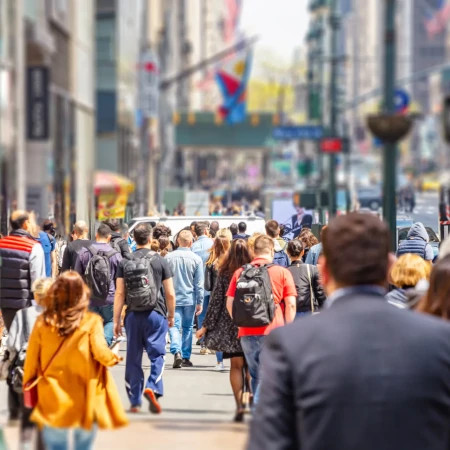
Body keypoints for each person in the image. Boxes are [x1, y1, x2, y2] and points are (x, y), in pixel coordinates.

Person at [249, 213, 450, 450]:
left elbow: (268, 442)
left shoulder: (290, 344)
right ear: (389, 267)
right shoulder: (439, 340)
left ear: (323, 272)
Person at [23, 271, 128, 450]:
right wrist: (115, 352)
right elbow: (102, 355)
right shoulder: (91, 321)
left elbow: (31, 361)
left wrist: (29, 388)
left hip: (52, 396)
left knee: (56, 446)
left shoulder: (43, 322)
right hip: (85, 397)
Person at [226, 235, 297, 404]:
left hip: (247, 332)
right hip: (274, 331)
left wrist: (240, 321)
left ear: (253, 251)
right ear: (271, 250)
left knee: (257, 374)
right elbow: (291, 305)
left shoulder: (241, 272)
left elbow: (230, 303)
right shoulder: (282, 272)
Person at [113, 223, 176, 414]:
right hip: (155, 313)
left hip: (132, 314)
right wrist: (171, 315)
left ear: (133, 239)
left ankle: (134, 400)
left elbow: (119, 293)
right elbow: (170, 293)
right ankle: (153, 386)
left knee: (133, 357)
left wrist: (117, 320)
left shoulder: (125, 261)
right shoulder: (160, 260)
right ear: (150, 239)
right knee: (157, 354)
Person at [197, 239, 252, 422]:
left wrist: (205, 326)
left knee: (235, 366)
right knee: (250, 367)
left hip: (230, 326)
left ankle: (239, 406)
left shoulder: (226, 272)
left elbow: (216, 301)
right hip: (253, 323)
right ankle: (250, 399)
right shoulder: (256, 271)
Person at [7, 278, 52, 448]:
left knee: (27, 418)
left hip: (26, 372)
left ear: (35, 294)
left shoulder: (22, 315)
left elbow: (12, 344)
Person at [75, 224, 122, 345]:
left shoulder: (84, 252)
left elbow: (77, 276)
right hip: (109, 297)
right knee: (111, 321)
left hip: (90, 297)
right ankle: (103, 343)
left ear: (96, 235)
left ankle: (93, 347)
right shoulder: (115, 254)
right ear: (109, 237)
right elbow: (120, 279)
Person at [0, 210, 46, 332]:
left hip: (5, 305)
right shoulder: (33, 247)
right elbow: (38, 282)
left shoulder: (1, 244)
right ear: (25, 224)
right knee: (27, 344)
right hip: (26, 306)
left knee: (13, 337)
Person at [166, 230, 204, 368]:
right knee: (187, 327)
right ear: (191, 242)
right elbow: (199, 284)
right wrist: (200, 301)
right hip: (190, 298)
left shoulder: (168, 258)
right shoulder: (196, 259)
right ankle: (186, 356)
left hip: (173, 297)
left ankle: (176, 350)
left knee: (174, 325)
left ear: (177, 241)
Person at [202, 229, 232, 370]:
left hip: (216, 299)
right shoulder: (233, 261)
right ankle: (235, 359)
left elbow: (207, 285)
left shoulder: (211, 261)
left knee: (219, 330)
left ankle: (219, 362)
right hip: (232, 299)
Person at [286, 240, 326, 317]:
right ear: (303, 252)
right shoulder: (312, 269)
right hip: (308, 310)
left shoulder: (285, 271)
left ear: (288, 252)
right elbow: (320, 292)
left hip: (290, 311)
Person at [191, 222, 214, 355]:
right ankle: (211, 342)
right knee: (213, 314)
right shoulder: (212, 244)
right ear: (206, 231)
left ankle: (204, 343)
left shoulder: (194, 246)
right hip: (212, 285)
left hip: (199, 285)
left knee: (201, 314)